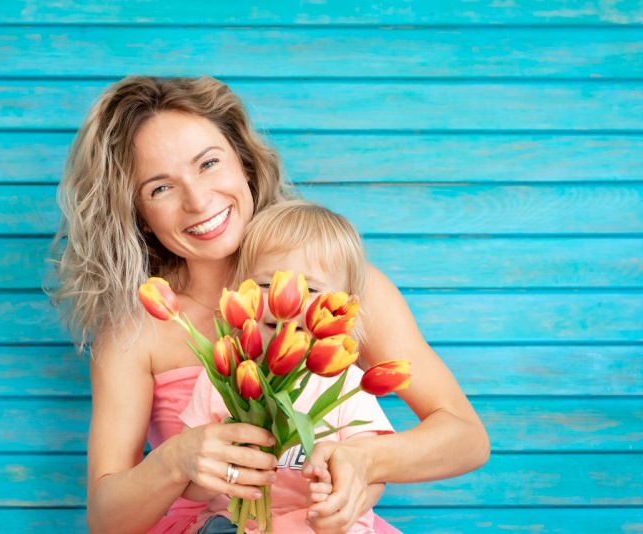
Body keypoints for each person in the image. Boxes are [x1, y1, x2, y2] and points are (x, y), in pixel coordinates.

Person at [49, 75, 489, 534]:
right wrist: (174, 462)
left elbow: (466, 438)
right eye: (160, 188)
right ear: (136, 212)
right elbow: (106, 521)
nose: (198, 201)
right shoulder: (136, 327)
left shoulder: (342, 292)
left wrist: (366, 460)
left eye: (209, 163)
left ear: (244, 162)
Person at [180, 199, 402, 533]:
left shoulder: (347, 383)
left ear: (344, 307)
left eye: (310, 289)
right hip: (237, 522)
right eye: (267, 285)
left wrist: (339, 502)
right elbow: (190, 484)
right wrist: (218, 472)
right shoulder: (224, 373)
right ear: (243, 292)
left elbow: (372, 476)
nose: (288, 299)